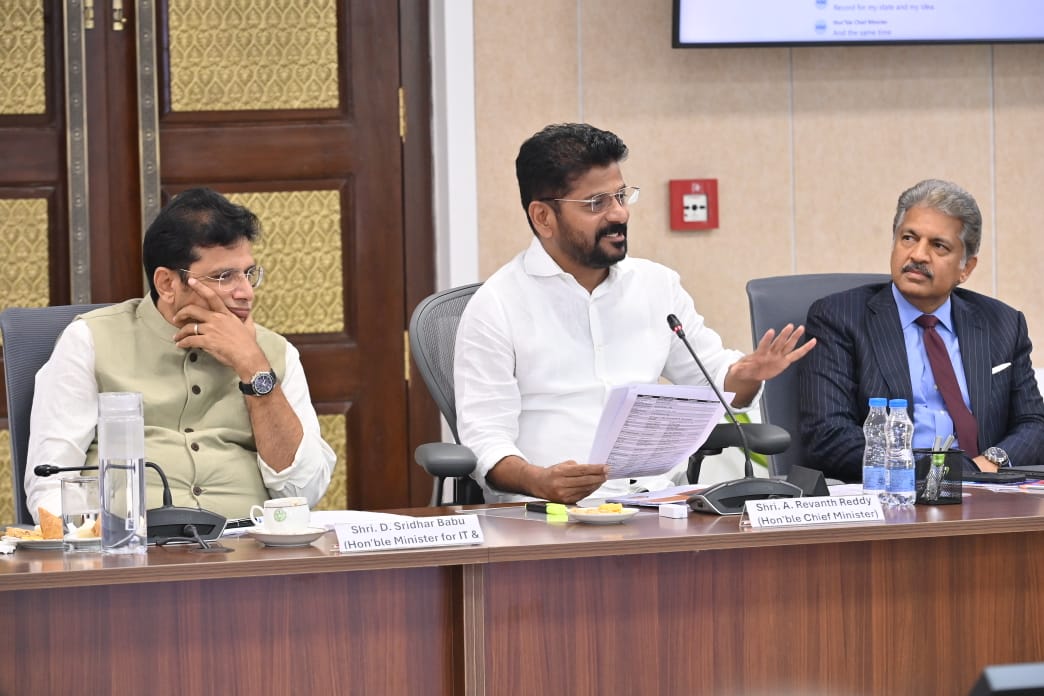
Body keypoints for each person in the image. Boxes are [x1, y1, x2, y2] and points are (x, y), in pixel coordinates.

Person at [454, 123, 814, 504]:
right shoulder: (497, 305)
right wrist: (539, 481)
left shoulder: (657, 286)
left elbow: (718, 384)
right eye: (596, 203)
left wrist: (747, 375)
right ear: (543, 217)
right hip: (546, 514)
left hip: (657, 505)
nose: (620, 214)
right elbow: (485, 441)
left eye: (621, 195)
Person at [26, 188, 336, 521]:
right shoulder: (89, 341)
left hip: (246, 543)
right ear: (167, 284)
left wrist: (253, 367)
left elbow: (303, 492)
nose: (246, 292)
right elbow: (50, 484)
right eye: (224, 276)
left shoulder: (277, 353)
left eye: (249, 274)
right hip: (132, 544)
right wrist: (101, 543)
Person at [798, 178, 1044, 482]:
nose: (917, 255)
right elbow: (828, 435)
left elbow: (1033, 423)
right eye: (908, 238)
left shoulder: (1003, 324)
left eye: (938, 245)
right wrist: (939, 474)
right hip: (895, 494)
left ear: (966, 268)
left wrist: (992, 462)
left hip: (988, 493)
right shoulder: (839, 318)